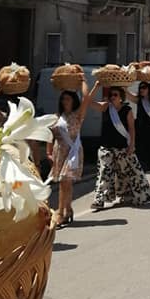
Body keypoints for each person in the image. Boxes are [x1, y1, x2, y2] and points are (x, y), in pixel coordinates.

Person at [91, 85, 150, 211]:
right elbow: (87, 101)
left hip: (122, 147)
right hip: (106, 147)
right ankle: (99, 200)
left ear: (121, 97)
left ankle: (135, 194)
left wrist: (132, 145)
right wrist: (96, 86)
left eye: (115, 95)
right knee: (104, 173)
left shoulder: (127, 110)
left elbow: (131, 129)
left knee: (129, 172)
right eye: (111, 95)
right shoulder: (105, 107)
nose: (112, 97)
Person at [46, 79, 99, 228]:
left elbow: (87, 97)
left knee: (65, 182)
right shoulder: (57, 116)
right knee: (64, 183)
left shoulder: (78, 115)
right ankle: (68, 210)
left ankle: (61, 213)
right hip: (59, 152)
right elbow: (50, 134)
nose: (64, 101)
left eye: (67, 98)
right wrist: (49, 151)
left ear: (73, 100)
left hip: (72, 152)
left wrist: (83, 81)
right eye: (63, 98)